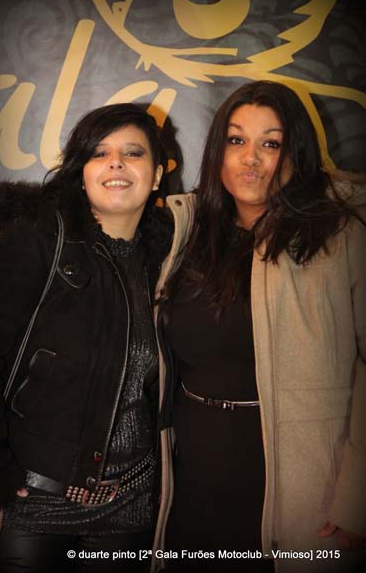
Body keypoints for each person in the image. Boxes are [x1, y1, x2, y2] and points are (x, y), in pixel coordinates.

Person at [150, 81, 366, 573]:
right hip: (193, 482)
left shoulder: (342, 235)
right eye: (236, 140)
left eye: (271, 143)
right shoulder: (186, 233)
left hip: (302, 491)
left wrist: (357, 501)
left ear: (296, 155)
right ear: (217, 151)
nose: (251, 158)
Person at [0, 103, 174, 572]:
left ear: (157, 175)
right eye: (99, 153)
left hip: (130, 508)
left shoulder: (168, 262)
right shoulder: (35, 241)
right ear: (81, 173)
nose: (116, 163)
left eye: (133, 153)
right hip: (29, 502)